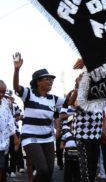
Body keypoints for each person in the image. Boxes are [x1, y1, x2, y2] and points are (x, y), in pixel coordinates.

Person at [13, 52, 65, 182]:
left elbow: (70, 100)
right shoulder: (29, 94)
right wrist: (17, 69)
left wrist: (79, 87)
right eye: (47, 79)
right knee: (42, 170)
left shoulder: (53, 98)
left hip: (47, 138)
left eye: (51, 79)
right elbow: (16, 87)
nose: (51, 81)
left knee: (49, 172)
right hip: (30, 137)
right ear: (38, 82)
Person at [68, 76, 103, 182]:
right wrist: (79, 87)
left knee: (93, 162)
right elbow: (72, 104)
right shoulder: (79, 96)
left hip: (96, 134)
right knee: (85, 164)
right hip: (83, 136)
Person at [5, 90, 25, 178]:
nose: (7, 99)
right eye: (5, 97)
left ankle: (13, 170)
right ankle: (6, 170)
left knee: (14, 151)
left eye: (8, 97)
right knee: (4, 152)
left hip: (14, 130)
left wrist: (15, 119)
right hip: (3, 132)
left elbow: (19, 116)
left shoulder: (15, 105)